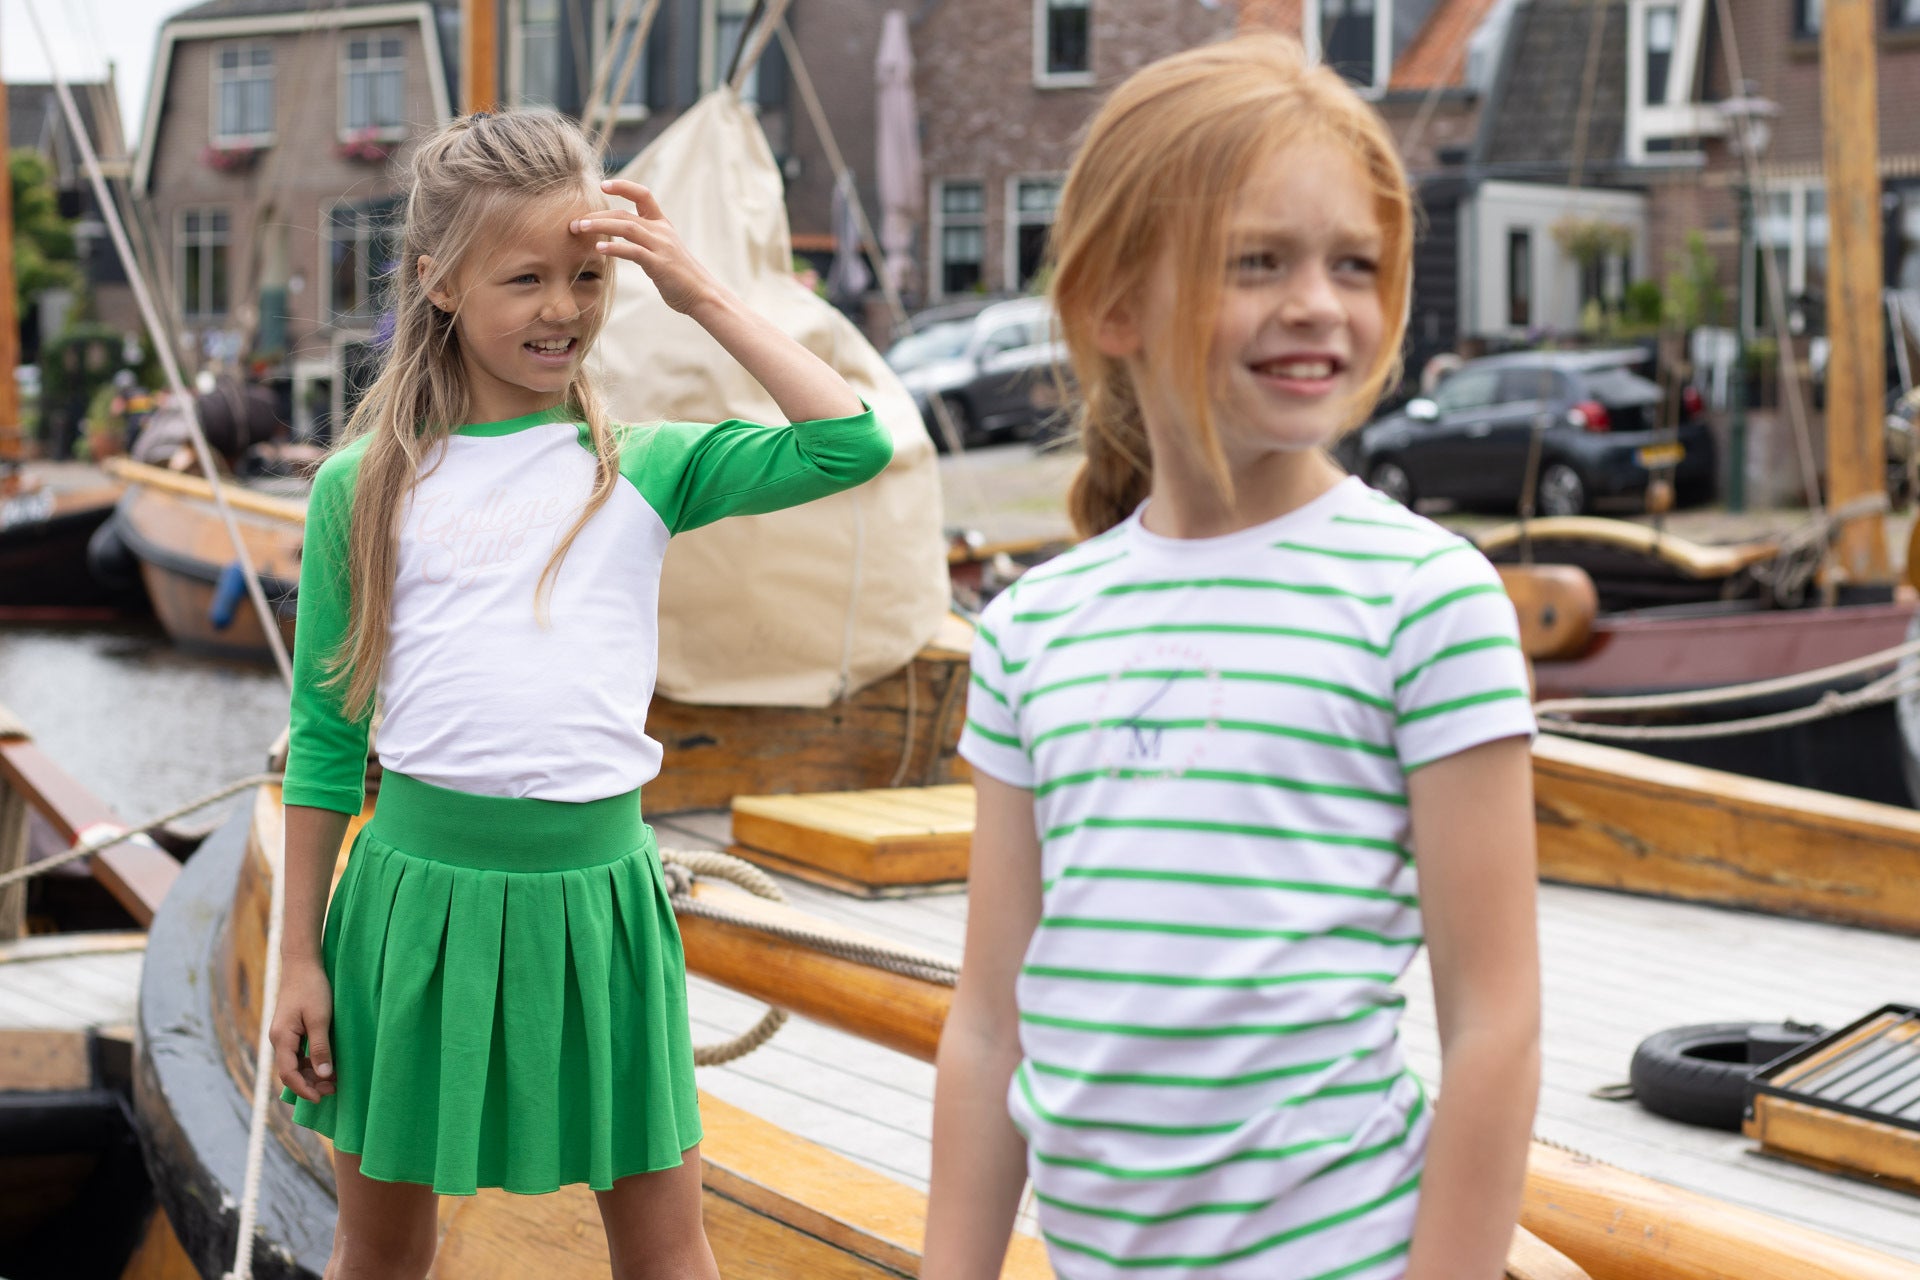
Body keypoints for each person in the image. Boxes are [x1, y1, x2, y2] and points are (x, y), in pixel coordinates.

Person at [924, 34, 1540, 1280]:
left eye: (1352, 263)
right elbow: (990, 1025)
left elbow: (1495, 1022)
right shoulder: (1035, 628)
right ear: (1112, 304)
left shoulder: (1424, 600)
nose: (1318, 301)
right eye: (1258, 261)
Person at [269, 109, 887, 1279]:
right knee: (379, 1252)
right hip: (409, 910)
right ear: (439, 283)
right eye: (526, 278)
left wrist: (699, 293)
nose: (563, 306)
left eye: (588, 276)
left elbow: (849, 443)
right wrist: (297, 956)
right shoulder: (364, 486)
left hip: (602, 907)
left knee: (664, 1250)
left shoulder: (641, 467)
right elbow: (324, 738)